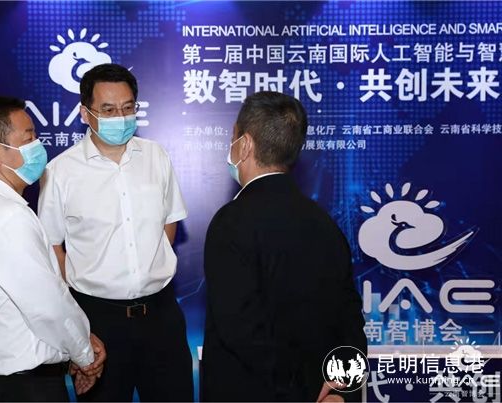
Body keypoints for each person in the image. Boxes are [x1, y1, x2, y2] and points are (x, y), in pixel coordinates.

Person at [38, 64, 193, 401]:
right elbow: (51, 245)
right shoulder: (59, 171)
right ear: (85, 113)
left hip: (161, 315)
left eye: (127, 107)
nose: (120, 117)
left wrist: (146, 271)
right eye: (108, 110)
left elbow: (169, 221)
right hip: (98, 321)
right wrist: (77, 313)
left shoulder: (156, 156)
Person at [201, 91, 367, 402]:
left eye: (233, 136)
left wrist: (302, 387)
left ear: (245, 144)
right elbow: (349, 318)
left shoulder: (230, 223)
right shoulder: (325, 225)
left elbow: (239, 328)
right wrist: (340, 388)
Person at [0, 96, 106, 402]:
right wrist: (84, 354)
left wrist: (79, 341)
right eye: (29, 138)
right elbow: (47, 306)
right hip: (24, 389)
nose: (38, 146)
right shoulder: (4, 216)